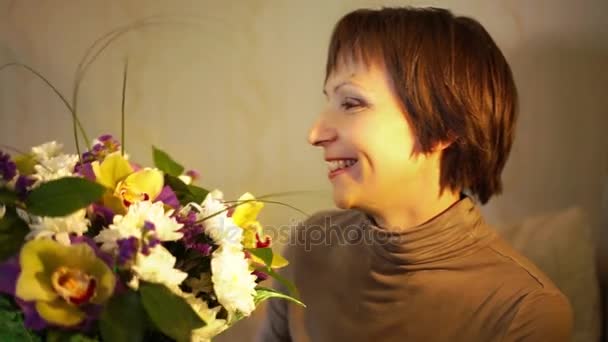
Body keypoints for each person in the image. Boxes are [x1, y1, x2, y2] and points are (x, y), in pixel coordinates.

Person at [256, 6, 573, 342]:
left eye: (351, 103)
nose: (316, 133)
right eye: (329, 102)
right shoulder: (310, 245)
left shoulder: (525, 310)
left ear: (443, 127)